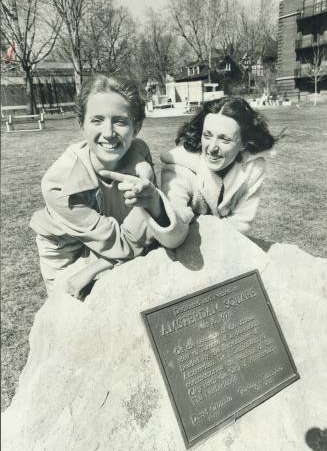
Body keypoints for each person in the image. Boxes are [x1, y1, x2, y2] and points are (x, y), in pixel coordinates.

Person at [30, 74, 177, 299]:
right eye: (97, 120)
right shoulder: (59, 184)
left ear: (136, 127)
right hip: (66, 249)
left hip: (118, 236)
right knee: (73, 312)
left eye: (120, 121)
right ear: (81, 125)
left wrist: (145, 177)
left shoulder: (139, 152)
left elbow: (139, 236)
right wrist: (94, 267)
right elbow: (124, 243)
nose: (108, 133)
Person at [159, 96, 276, 246]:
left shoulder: (253, 168)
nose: (212, 148)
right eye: (207, 135)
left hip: (226, 248)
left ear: (243, 143)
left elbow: (241, 223)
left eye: (224, 139)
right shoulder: (178, 169)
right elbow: (173, 229)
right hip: (184, 252)